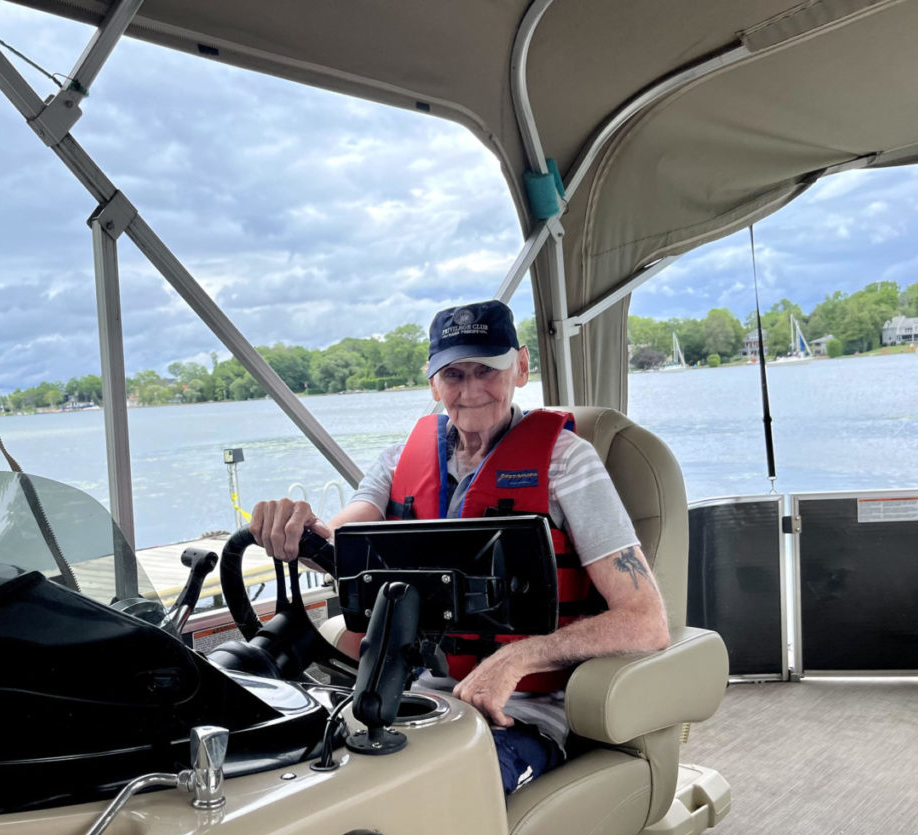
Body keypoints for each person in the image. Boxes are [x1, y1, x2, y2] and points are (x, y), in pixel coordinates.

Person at [250, 299, 669, 794]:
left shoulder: (567, 464)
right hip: (411, 699)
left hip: (520, 714)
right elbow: (338, 540)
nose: (470, 391)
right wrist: (295, 528)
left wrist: (519, 658)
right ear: (433, 383)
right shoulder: (397, 462)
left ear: (521, 367)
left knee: (436, 795)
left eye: (486, 370)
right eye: (453, 375)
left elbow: (646, 621)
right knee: (290, 775)